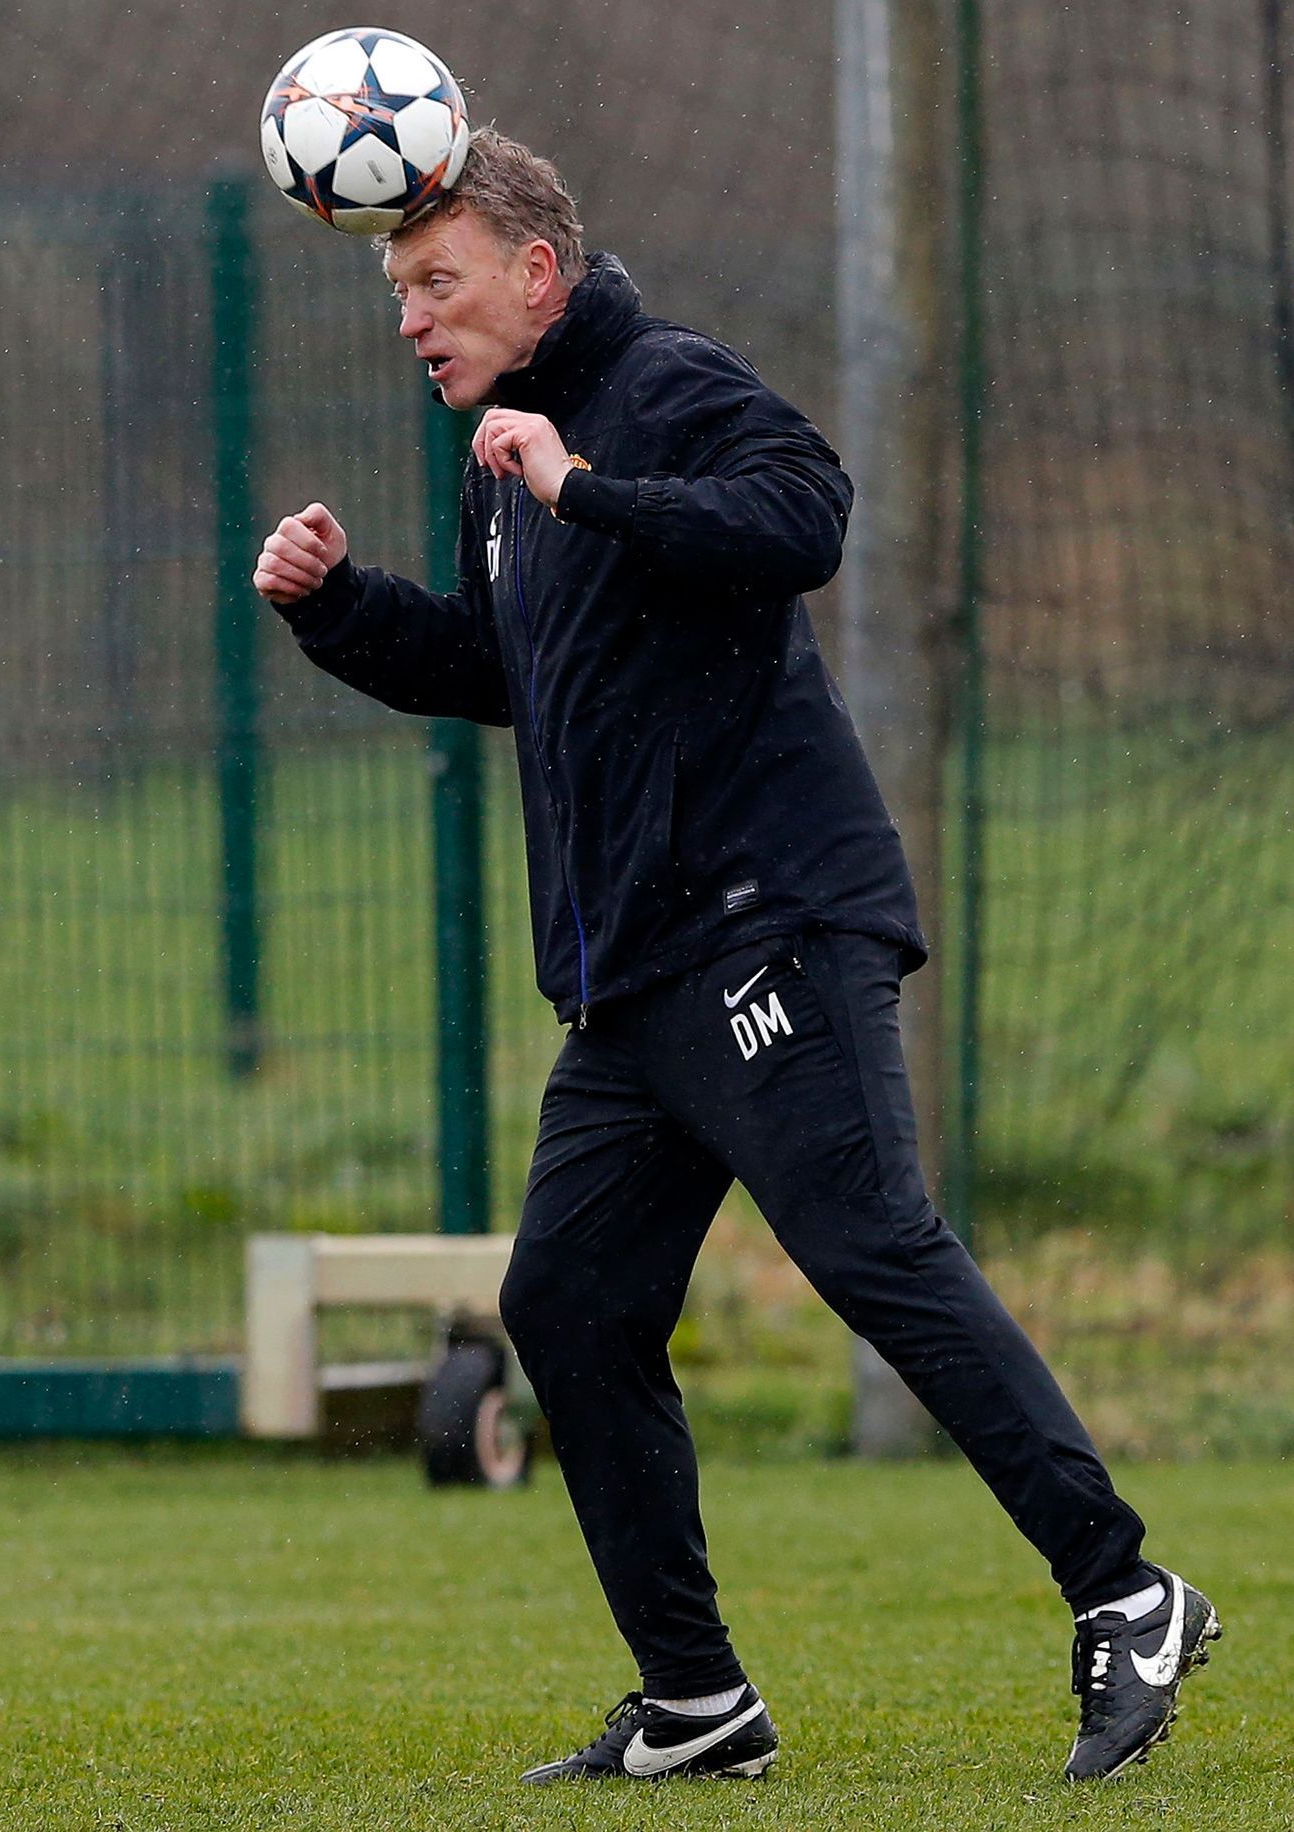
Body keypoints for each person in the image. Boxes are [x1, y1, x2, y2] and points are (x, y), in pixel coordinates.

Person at [254, 128, 1220, 1786]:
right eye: (397, 289)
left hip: (766, 918)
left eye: (434, 282)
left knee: (868, 1247)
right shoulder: (504, 459)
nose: (408, 317)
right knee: (567, 1300)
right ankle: (695, 1701)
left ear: (535, 274)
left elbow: (801, 515)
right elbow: (512, 670)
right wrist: (339, 607)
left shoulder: (662, 384)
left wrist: (581, 483)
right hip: (634, 978)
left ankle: (1124, 1591)